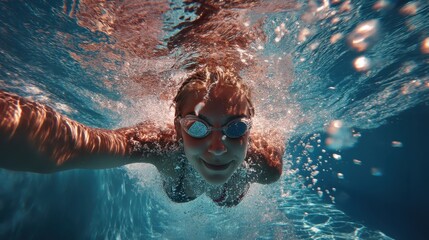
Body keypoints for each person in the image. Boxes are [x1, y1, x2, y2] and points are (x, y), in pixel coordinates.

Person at [0, 66, 284, 207]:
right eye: (197, 127)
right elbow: (73, 145)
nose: (218, 148)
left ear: (250, 130)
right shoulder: (161, 146)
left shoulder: (266, 167)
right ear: (177, 129)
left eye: (236, 128)